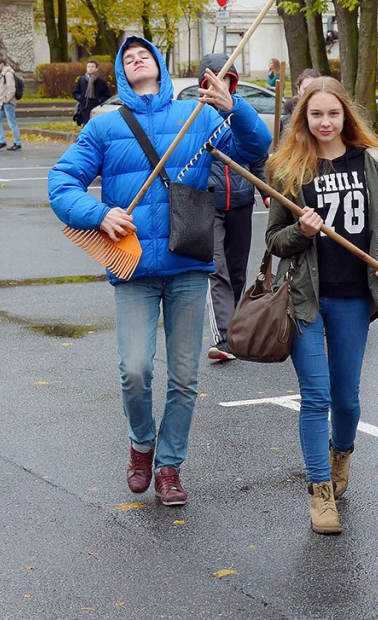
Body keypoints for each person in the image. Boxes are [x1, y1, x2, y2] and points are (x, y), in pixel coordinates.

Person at [48, 37, 272, 506]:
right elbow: (61, 182)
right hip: (130, 266)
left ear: (160, 65)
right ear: (120, 72)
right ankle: (141, 445)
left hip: (187, 261)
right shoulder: (105, 128)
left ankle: (170, 466)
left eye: (143, 54)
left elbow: (256, 147)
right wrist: (98, 214)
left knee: (186, 378)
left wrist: (237, 109)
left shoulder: (197, 117)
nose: (136, 60)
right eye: (127, 57)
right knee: (134, 370)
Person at [265, 77, 378, 535]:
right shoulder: (288, 170)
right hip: (305, 299)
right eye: (316, 115)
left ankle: (340, 453)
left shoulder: (371, 162)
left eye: (333, 114)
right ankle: (321, 492)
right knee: (316, 397)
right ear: (303, 119)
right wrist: (300, 233)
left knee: (346, 400)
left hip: (353, 298)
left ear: (347, 116)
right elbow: (274, 241)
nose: (325, 122)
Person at [199, 53, 265, 362]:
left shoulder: (240, 113)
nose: (220, 84)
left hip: (240, 200)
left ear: (232, 82)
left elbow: (259, 153)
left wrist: (267, 188)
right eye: (213, 79)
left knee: (237, 270)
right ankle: (224, 338)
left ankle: (237, 330)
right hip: (206, 202)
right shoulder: (194, 116)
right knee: (217, 269)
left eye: (225, 78)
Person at [0, 56, 21, 152]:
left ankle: (17, 142)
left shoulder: (8, 74)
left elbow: (11, 89)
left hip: (7, 102)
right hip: (2, 103)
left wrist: (7, 100)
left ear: (2, 64)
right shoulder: (2, 74)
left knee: (12, 123)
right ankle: (2, 141)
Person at [72, 59, 112, 126]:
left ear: (96, 69)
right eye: (89, 66)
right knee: (85, 127)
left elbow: (107, 96)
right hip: (84, 109)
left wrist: (99, 100)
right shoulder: (82, 80)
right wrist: (80, 98)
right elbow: (75, 93)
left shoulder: (101, 82)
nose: (90, 68)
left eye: (92, 66)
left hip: (95, 109)